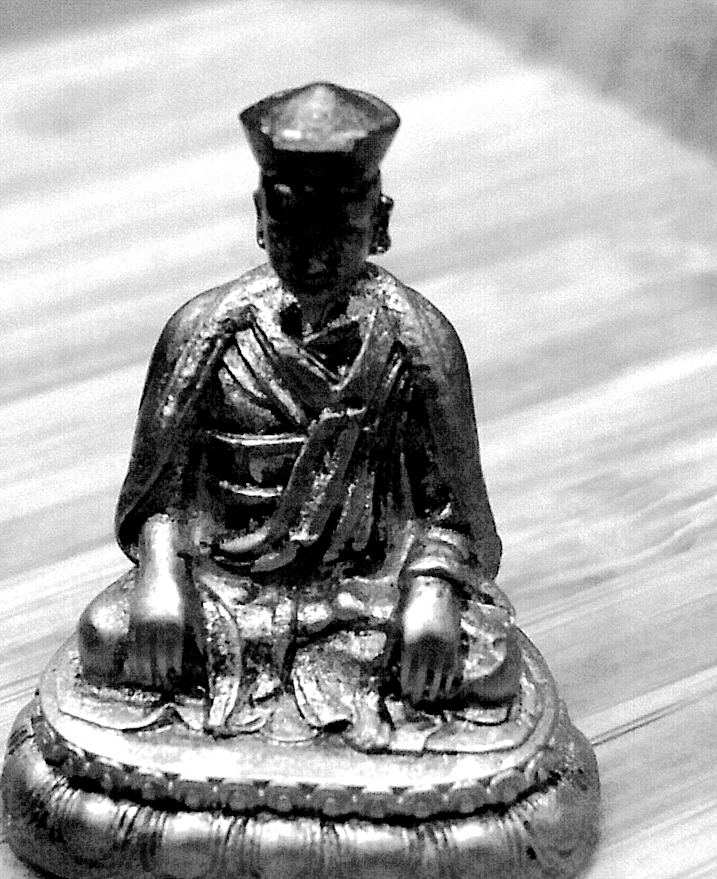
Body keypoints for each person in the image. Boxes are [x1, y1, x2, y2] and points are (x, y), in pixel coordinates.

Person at [76, 82, 527, 752]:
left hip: (363, 597)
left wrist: (431, 586)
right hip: (226, 592)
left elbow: (449, 510)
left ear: (380, 223)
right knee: (107, 636)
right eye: (291, 233)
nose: (314, 260)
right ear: (261, 218)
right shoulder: (202, 334)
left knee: (486, 663)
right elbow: (158, 496)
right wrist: (163, 575)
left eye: (340, 235)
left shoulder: (418, 345)